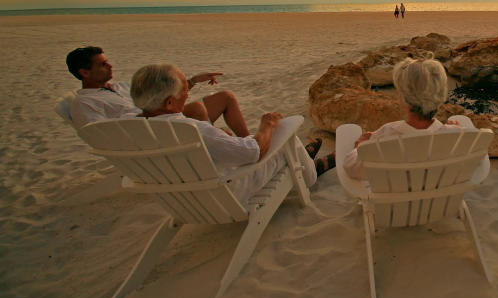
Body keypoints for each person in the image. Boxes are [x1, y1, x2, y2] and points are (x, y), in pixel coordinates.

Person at [130, 64, 317, 201]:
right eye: (185, 90)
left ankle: (306, 163)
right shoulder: (192, 130)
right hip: (224, 193)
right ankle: (312, 175)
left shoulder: (130, 129)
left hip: (178, 197)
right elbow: (253, 152)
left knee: (230, 136)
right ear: (169, 103)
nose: (187, 94)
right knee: (285, 133)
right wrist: (265, 126)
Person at [341, 57, 476, 180]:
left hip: (395, 206)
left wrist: (362, 147)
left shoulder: (386, 135)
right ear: (440, 95)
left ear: (403, 99)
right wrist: (456, 130)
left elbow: (351, 168)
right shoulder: (458, 137)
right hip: (445, 205)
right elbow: (477, 161)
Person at [66, 46, 250, 135]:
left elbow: (160, 98)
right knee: (198, 110)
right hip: (151, 134)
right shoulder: (85, 103)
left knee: (225, 97)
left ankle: (245, 141)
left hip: (163, 119)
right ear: (84, 72)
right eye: (103, 64)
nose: (110, 66)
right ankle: (215, 146)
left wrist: (192, 81)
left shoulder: (120, 87)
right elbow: (101, 136)